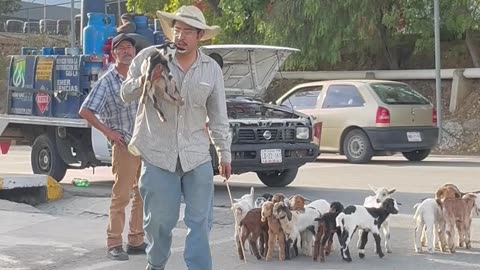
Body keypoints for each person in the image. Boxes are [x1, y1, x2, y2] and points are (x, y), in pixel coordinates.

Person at [120, 5, 231, 270]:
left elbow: (218, 115)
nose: (180, 36)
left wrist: (224, 152)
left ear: (200, 36)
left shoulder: (211, 69)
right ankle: (156, 265)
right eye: (177, 30)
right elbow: (125, 93)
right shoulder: (151, 56)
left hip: (196, 157)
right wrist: (147, 79)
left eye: (188, 32)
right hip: (159, 155)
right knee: (159, 223)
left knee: (200, 223)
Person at [79, 33, 146, 261]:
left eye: (130, 48)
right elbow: (85, 110)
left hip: (145, 144)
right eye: (123, 48)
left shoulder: (140, 77)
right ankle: (114, 243)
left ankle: (136, 240)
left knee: (142, 194)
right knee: (121, 196)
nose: (127, 52)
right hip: (124, 145)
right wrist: (108, 132)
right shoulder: (107, 81)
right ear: (114, 53)